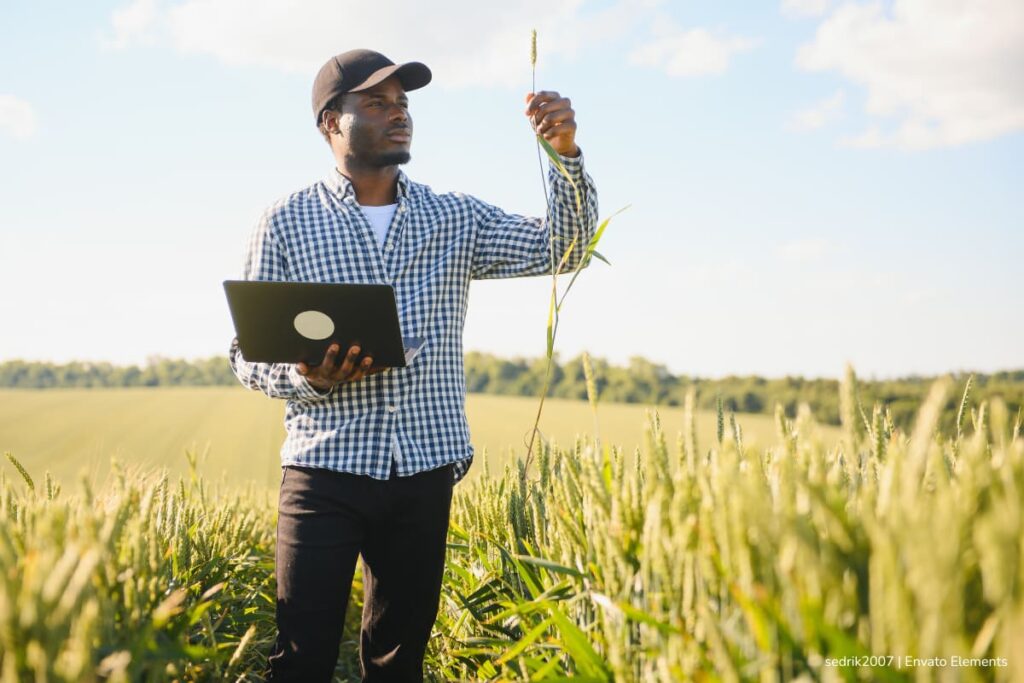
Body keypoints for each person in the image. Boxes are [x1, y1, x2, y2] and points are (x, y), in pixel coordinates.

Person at [228, 48, 598, 682]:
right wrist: (307, 378)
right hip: (322, 469)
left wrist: (564, 154)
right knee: (299, 657)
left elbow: (565, 247)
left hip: (423, 469)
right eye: (376, 103)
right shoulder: (285, 220)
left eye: (402, 104)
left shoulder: (454, 217)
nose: (398, 115)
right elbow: (246, 355)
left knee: (399, 660)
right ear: (329, 123)